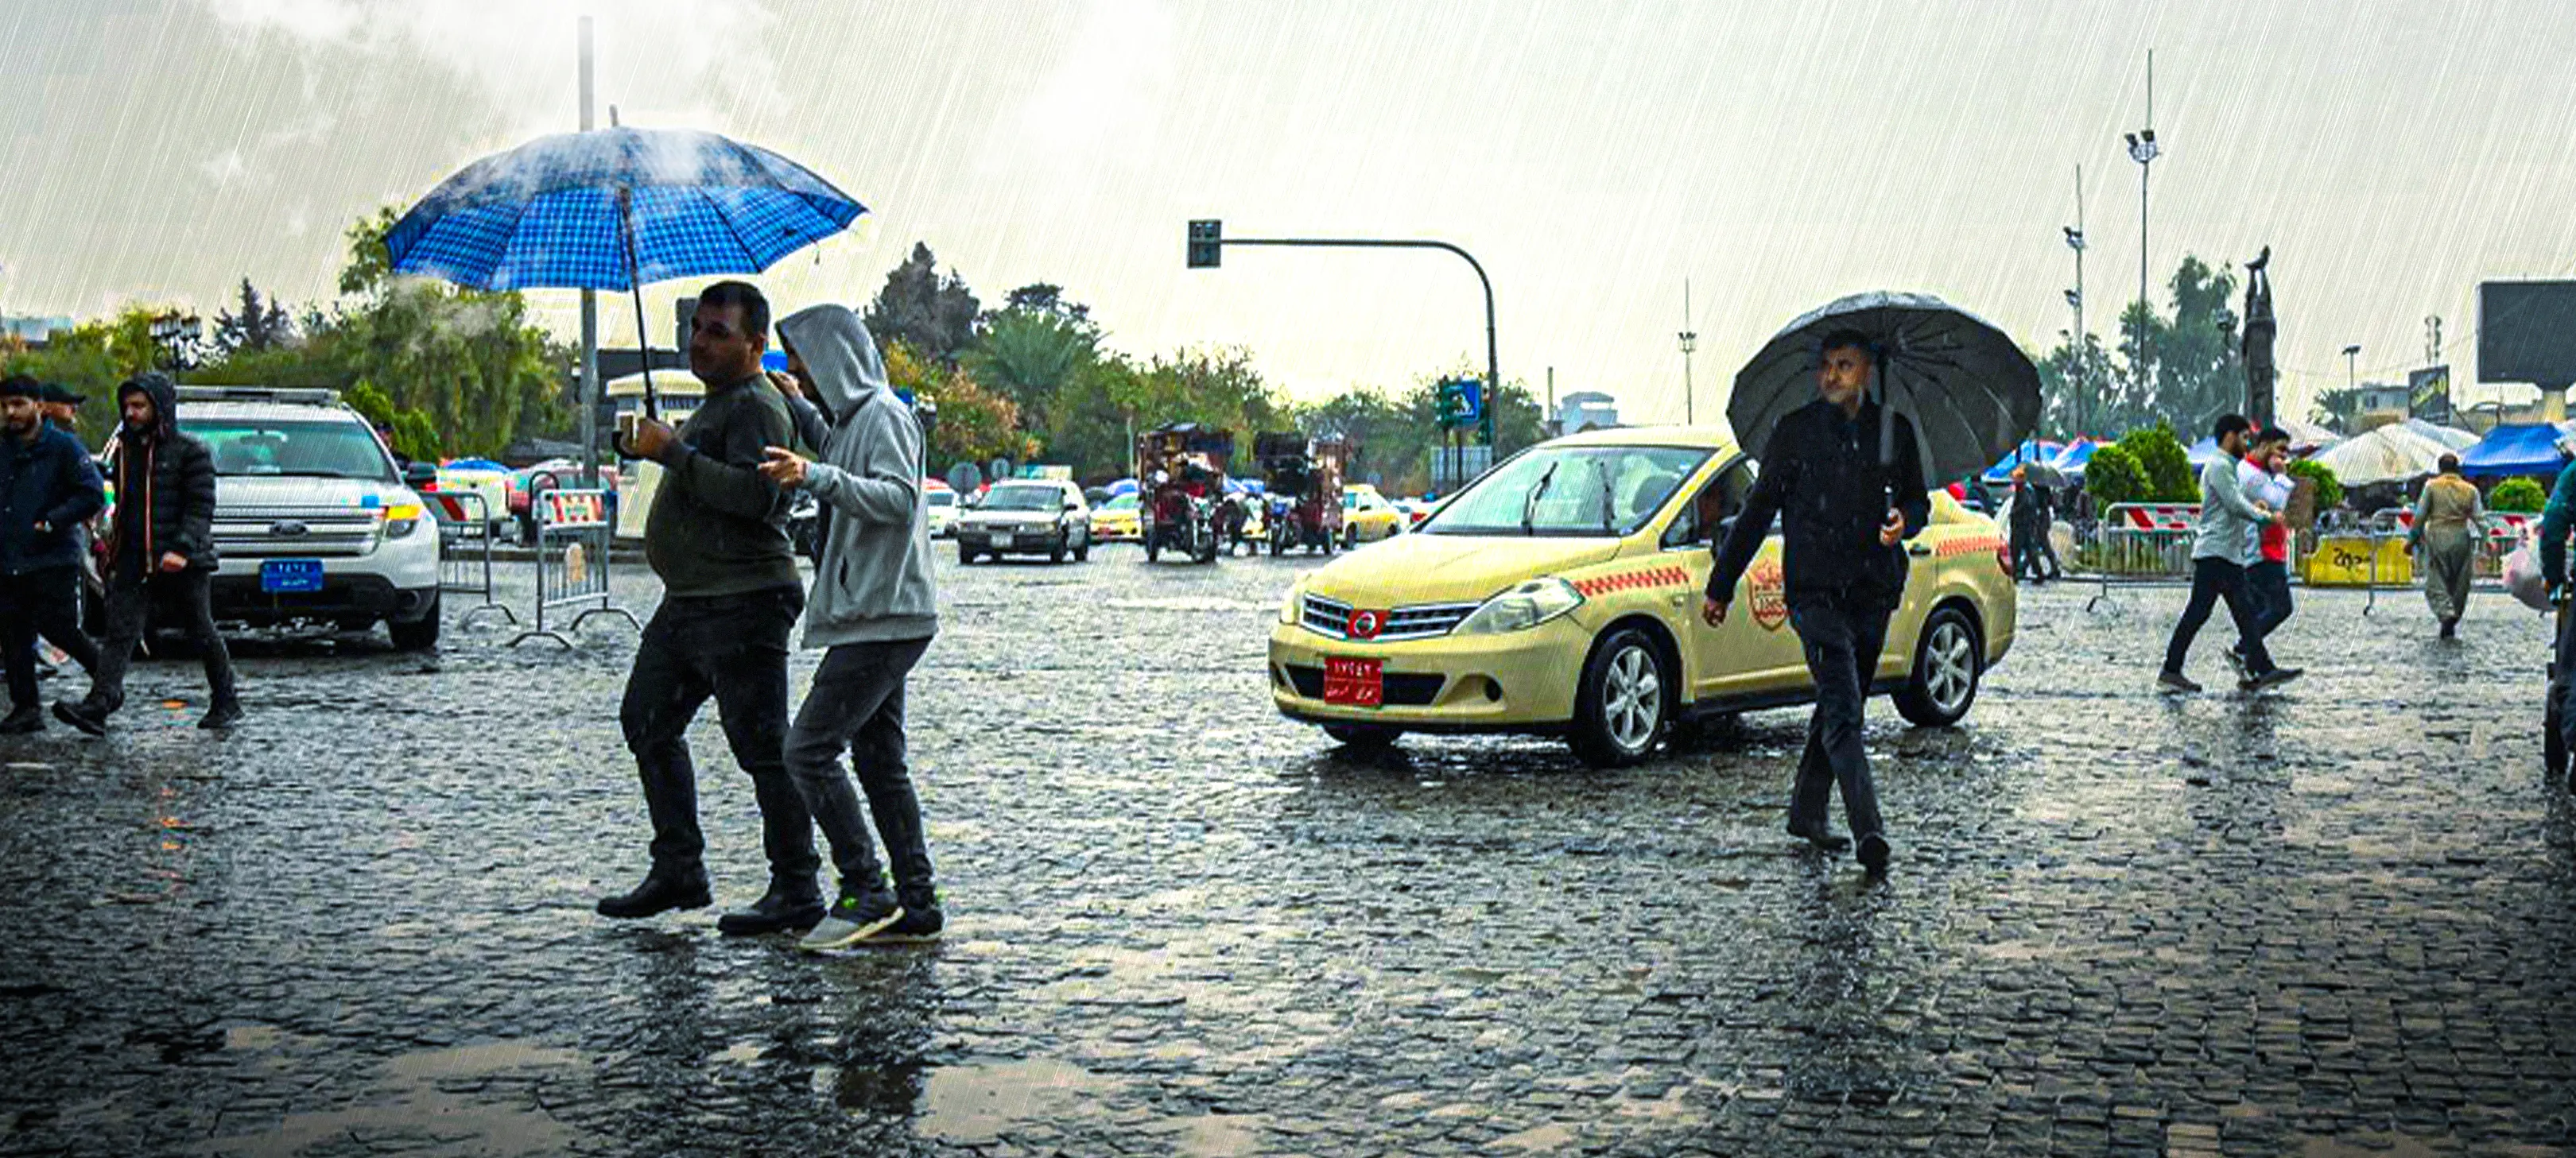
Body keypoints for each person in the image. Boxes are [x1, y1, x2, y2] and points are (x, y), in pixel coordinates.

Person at [595, 281, 824, 935]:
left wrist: (673, 452)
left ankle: (798, 884)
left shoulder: (756, 406)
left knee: (761, 745)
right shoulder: (720, 401)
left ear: (755, 344)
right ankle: (679, 867)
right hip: (693, 602)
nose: (699, 341)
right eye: (696, 327)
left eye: (717, 331)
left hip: (744, 600)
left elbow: (758, 500)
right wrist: (661, 446)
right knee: (646, 718)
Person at [1703, 329, 1928, 875]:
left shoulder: (1893, 431)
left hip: (1874, 591)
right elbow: (1758, 510)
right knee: (1846, 709)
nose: (1831, 375)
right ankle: (1868, 829)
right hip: (1815, 592)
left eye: (1844, 365)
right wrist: (1721, 582)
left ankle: (1805, 810)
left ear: (1867, 371)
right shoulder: (1795, 433)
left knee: (1836, 703)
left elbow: (1917, 500)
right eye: (1826, 365)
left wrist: (1905, 520)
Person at [755, 304, 943, 951]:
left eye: (804, 365)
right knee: (878, 758)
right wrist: (799, 413)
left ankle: (867, 886)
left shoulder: (887, 416)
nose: (800, 375)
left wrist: (814, 476)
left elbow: (895, 499)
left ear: (836, 361)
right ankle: (917, 900)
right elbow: (836, 446)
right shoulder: (851, 420)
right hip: (876, 613)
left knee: (807, 748)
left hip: (883, 617)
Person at [54, 373, 240, 734]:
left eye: (139, 405)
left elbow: (200, 508)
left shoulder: (191, 452)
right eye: (128, 406)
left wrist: (182, 549)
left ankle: (225, 699)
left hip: (183, 561)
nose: (132, 413)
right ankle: (100, 703)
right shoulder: (126, 453)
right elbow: (125, 505)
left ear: (160, 407)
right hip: (134, 560)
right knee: (120, 632)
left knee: (200, 628)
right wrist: (112, 548)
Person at [2158, 414, 2299, 695]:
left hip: (2225, 553)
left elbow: (2236, 500)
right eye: (2245, 438)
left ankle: (2261, 669)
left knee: (2239, 614)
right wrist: (2263, 517)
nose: (2248, 444)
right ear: (2230, 436)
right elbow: (2234, 504)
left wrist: (2254, 507)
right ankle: (2173, 670)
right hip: (2216, 553)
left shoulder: (2228, 468)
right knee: (2203, 613)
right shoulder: (2219, 465)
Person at [0, 376, 105, 733]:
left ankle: (107, 682)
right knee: (13, 632)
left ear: (39, 406)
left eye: (18, 404)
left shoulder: (64, 448)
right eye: (4, 406)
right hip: (9, 556)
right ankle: (26, 707)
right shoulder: (4, 448)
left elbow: (91, 493)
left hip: (52, 556)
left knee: (58, 626)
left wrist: (53, 520)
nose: (10, 413)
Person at [2229, 428, 2297, 672]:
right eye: (2280, 449)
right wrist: (2282, 476)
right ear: (2265, 445)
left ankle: (2256, 666)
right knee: (2281, 607)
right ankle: (2245, 649)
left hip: (2262, 550)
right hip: (2261, 552)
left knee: (2257, 611)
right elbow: (2277, 502)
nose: (2283, 457)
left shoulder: (2255, 472)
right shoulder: (2252, 476)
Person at [2409, 454, 2489, 639]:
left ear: (2440, 468)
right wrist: (2488, 539)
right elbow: (2480, 518)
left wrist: (2412, 538)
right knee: (2460, 582)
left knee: (2435, 580)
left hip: (2437, 535)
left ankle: (2446, 614)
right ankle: (2453, 616)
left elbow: (2420, 516)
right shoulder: (2470, 490)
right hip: (2461, 536)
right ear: (2457, 468)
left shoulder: (2431, 486)